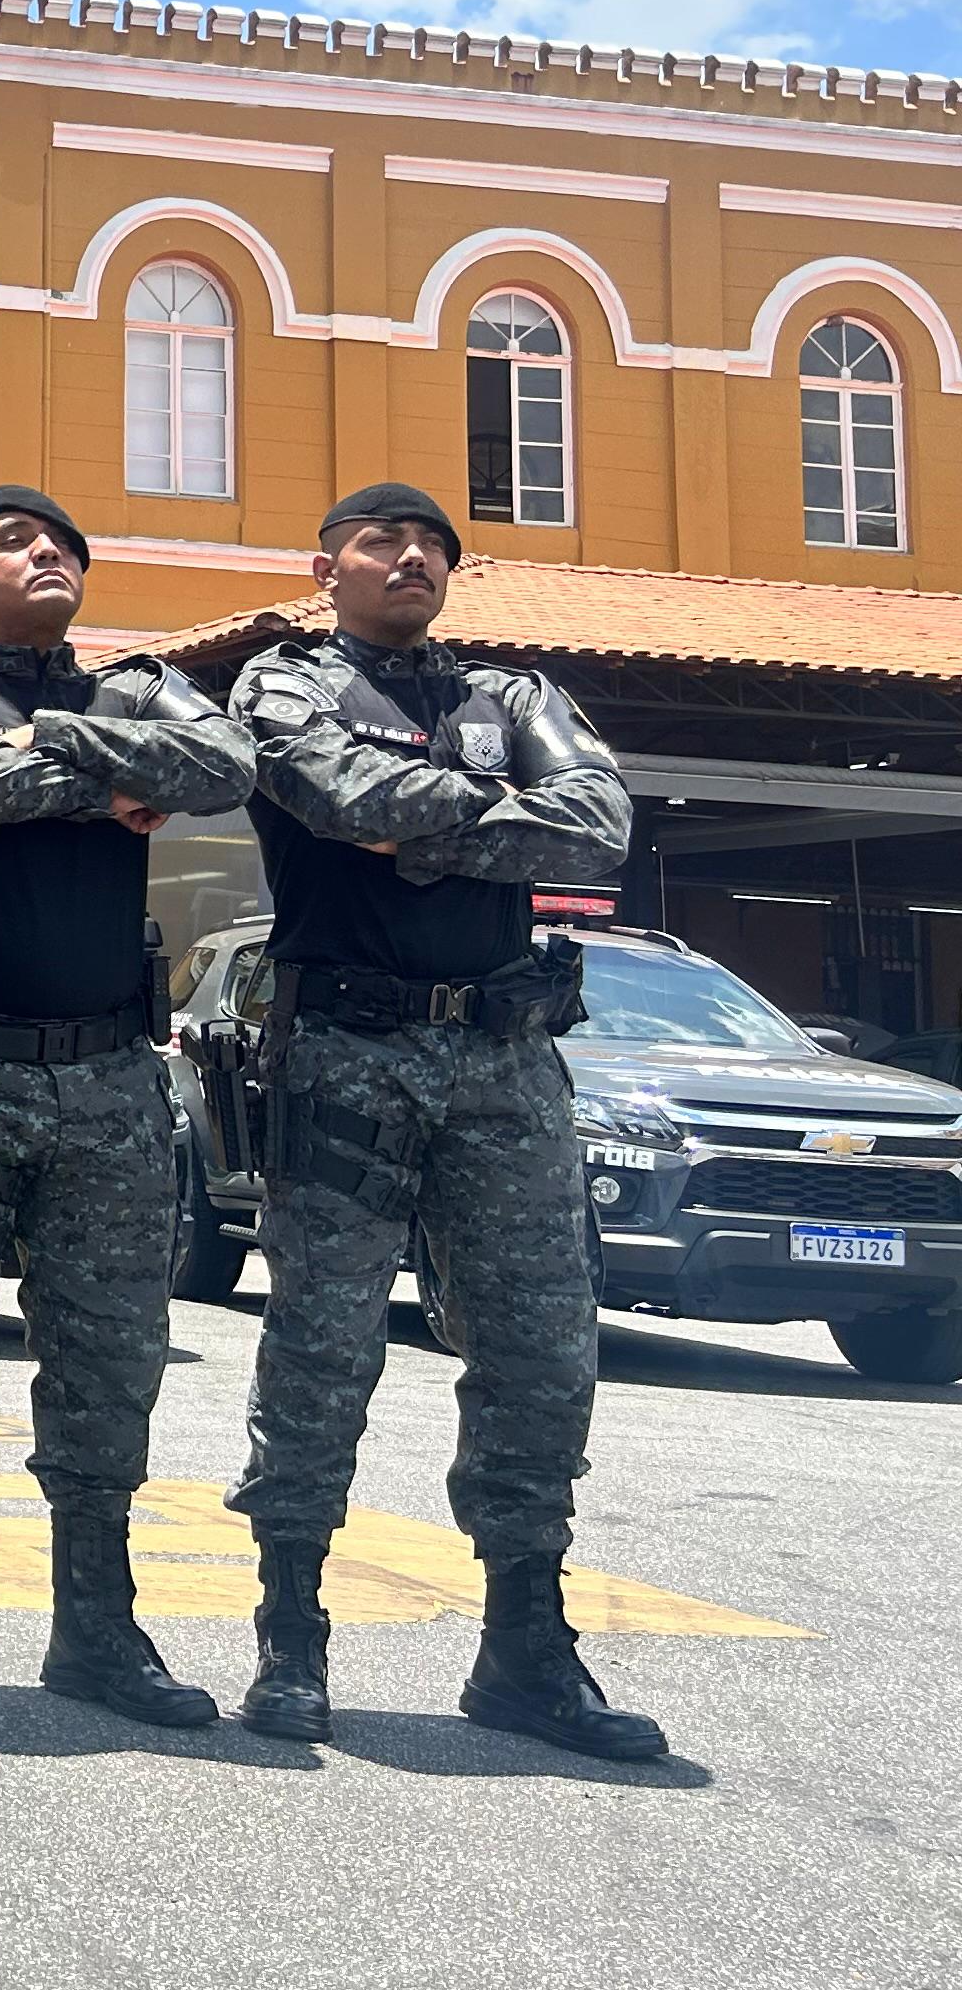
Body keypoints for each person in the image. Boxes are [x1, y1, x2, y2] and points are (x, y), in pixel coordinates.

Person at [226, 485, 659, 1758]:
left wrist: (418, 836)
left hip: (505, 1062)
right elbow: (331, 791)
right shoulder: (280, 683)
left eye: (433, 546)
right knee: (322, 1345)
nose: (411, 557)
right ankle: (289, 1634)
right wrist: (482, 829)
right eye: (381, 540)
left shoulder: (516, 699)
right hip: (350, 1053)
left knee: (540, 1350)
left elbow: (600, 824)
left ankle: (527, 1648)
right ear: (328, 566)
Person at [0, 486, 257, 1725]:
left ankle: (96, 1634)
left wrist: (55, 748)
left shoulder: (133, 679)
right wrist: (107, 773)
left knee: (109, 1363)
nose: (47, 557)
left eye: (66, 546)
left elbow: (227, 762)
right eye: (15, 542)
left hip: (111, 1082)